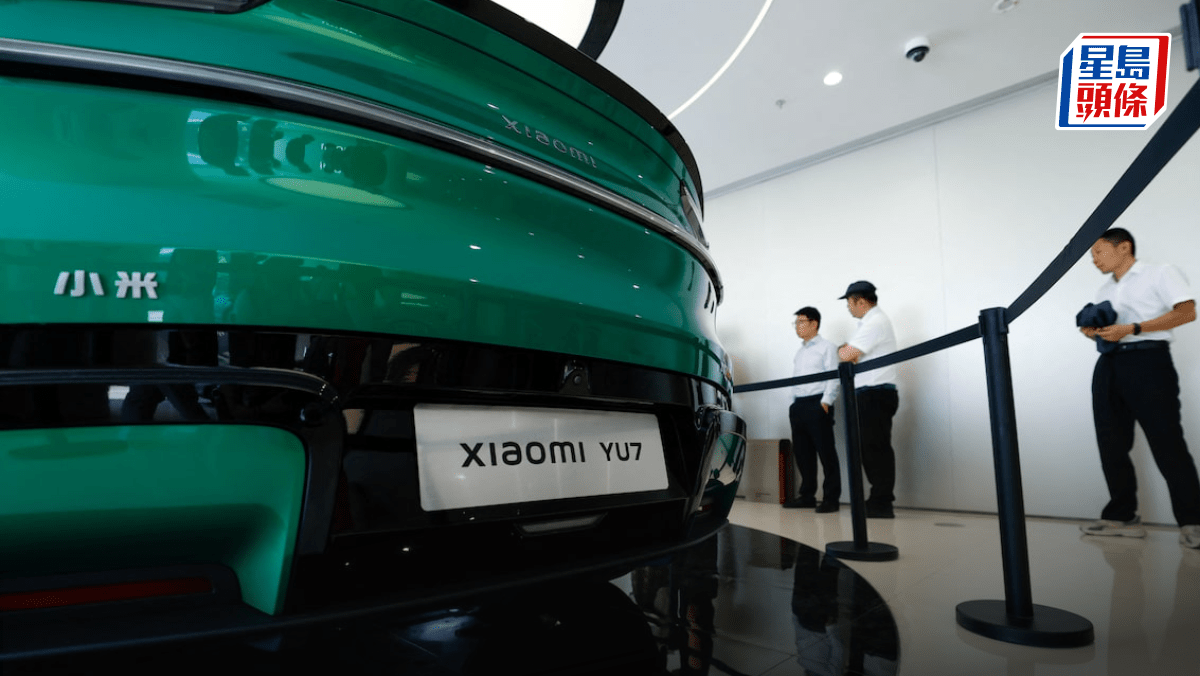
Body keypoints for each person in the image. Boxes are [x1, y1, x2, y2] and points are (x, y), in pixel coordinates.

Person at [1079, 228, 1200, 549]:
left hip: (1149, 362)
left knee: (1167, 442)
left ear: (1124, 247)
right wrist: (1094, 332)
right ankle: (1122, 518)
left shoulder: (1160, 273)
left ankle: (1194, 522)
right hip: (1109, 363)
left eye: (1099, 252)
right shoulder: (1106, 288)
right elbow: (1113, 328)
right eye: (1092, 255)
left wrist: (1133, 328)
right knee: (1111, 443)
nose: (1094, 260)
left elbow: (1187, 312)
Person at [837, 281, 899, 519]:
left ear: (860, 301)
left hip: (875, 394)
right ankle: (878, 499)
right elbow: (850, 355)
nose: (848, 308)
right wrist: (848, 352)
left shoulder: (874, 322)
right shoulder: (870, 323)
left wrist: (845, 350)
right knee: (871, 447)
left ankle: (882, 502)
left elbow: (846, 355)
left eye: (849, 303)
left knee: (876, 448)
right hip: (871, 394)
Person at [783, 307, 841, 512]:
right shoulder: (800, 352)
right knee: (803, 453)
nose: (797, 327)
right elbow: (796, 379)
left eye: (801, 322)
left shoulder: (827, 347)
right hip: (799, 405)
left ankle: (831, 499)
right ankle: (807, 496)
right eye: (796, 323)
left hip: (818, 403)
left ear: (814, 323)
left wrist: (826, 402)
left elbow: (833, 376)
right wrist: (793, 403)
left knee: (826, 453)